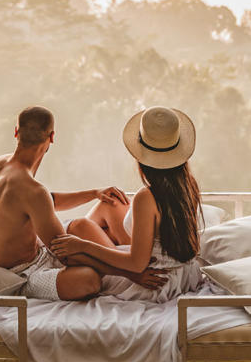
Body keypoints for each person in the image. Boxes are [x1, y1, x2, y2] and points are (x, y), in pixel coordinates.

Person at [0, 105, 168, 301]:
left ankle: (133, 257)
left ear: (16, 132)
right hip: (22, 273)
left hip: (39, 252)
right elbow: (66, 254)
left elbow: (44, 201)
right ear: (52, 137)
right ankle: (135, 264)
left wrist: (95, 193)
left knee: (84, 224)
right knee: (88, 280)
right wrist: (130, 274)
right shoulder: (32, 191)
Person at [50, 106, 203, 302]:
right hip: (182, 274)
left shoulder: (146, 197)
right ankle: (81, 242)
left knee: (80, 228)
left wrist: (83, 246)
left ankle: (64, 253)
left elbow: (136, 265)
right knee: (111, 204)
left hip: (154, 281)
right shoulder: (188, 183)